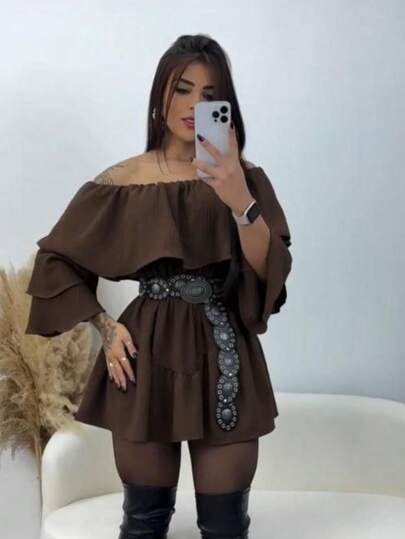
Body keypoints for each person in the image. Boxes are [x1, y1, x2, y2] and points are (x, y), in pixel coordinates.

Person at [25, 34, 292, 539]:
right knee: (143, 524)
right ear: (160, 95)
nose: (193, 106)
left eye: (209, 95)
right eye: (182, 89)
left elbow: (269, 269)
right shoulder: (123, 181)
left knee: (226, 526)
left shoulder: (245, 177)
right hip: (143, 358)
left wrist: (238, 197)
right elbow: (55, 261)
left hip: (226, 356)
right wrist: (105, 327)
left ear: (225, 105)